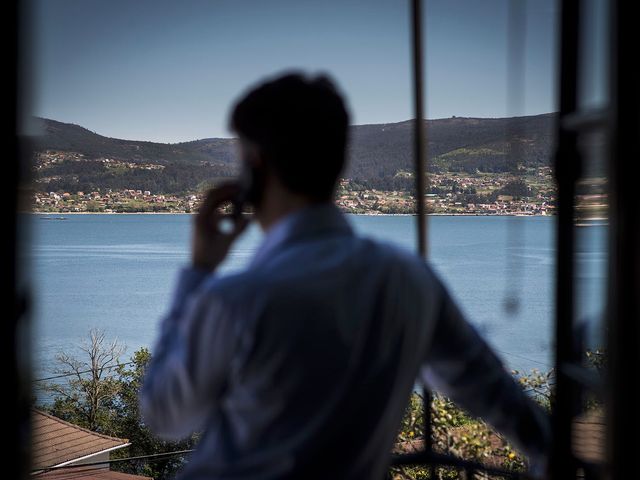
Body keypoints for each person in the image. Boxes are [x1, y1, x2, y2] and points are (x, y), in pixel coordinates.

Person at [140, 72, 550, 479]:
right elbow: (493, 391)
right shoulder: (408, 278)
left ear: (254, 167)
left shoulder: (236, 299)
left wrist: (198, 272)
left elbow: (165, 416)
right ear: (336, 162)